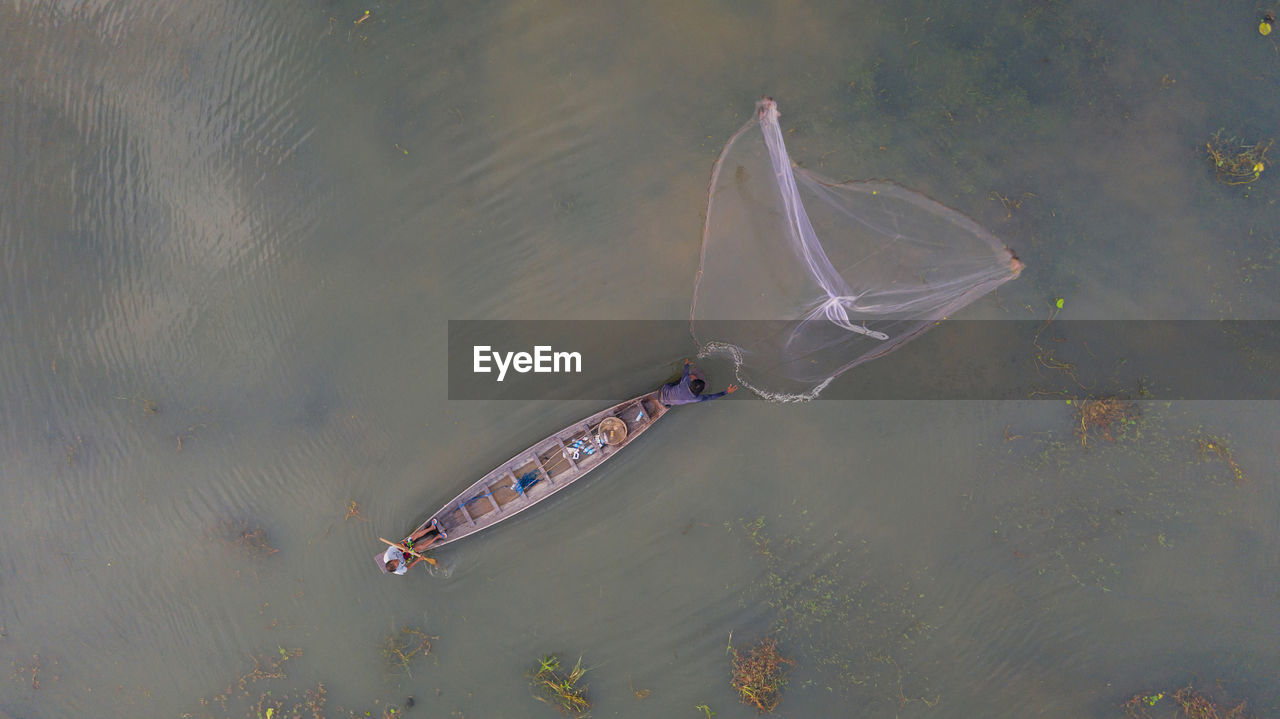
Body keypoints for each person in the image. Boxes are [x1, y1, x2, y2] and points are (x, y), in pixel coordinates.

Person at [660, 360, 737, 406]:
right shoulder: (697, 398)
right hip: (669, 402)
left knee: (689, 376)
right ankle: (667, 405)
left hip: (664, 389)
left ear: (691, 383)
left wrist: (687, 365)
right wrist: (726, 392)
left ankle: (665, 402)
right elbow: (711, 397)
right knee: (674, 400)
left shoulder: (684, 382)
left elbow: (685, 373)